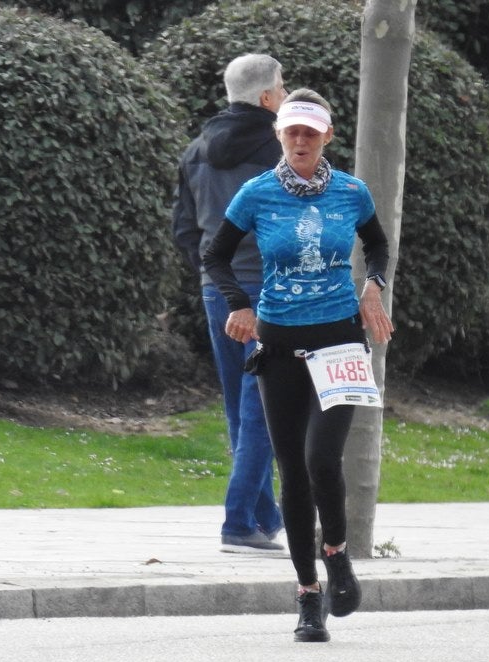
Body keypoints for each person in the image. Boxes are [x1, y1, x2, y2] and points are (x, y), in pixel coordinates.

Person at [203, 89, 395, 643]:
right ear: (280, 135)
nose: (302, 140)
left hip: (339, 343)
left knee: (322, 459)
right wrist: (238, 303)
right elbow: (215, 253)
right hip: (280, 345)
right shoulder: (256, 194)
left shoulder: (351, 192)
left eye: (312, 132)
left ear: (327, 135)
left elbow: (377, 246)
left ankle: (335, 552)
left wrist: (373, 287)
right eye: (293, 131)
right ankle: (308, 597)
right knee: (291, 467)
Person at [172, 54, 287, 555]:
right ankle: (239, 523)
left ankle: (264, 518)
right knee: (266, 406)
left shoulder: (195, 150)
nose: (285, 97)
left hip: (216, 289)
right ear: (266, 98)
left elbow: (184, 230)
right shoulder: (280, 150)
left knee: (242, 407)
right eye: (282, 89)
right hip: (266, 289)